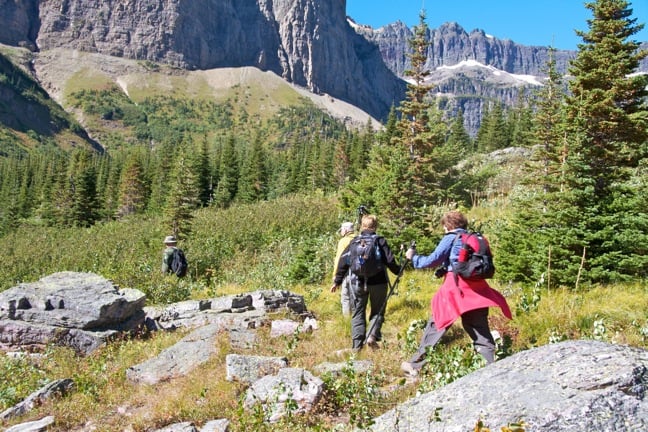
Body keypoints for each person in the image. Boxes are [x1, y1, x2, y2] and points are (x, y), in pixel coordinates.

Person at [401, 211, 512, 376]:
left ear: (447, 225)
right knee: (479, 327)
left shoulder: (451, 237)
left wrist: (413, 257)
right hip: (477, 288)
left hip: (456, 287)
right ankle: (490, 366)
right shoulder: (474, 238)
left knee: (438, 323)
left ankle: (416, 365)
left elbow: (433, 259)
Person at [331, 214, 402, 351]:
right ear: (375, 226)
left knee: (358, 312)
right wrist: (398, 271)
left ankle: (357, 346)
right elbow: (390, 260)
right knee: (378, 311)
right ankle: (371, 336)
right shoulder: (379, 240)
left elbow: (343, 262)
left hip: (357, 282)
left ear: (361, 226)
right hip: (378, 282)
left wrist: (337, 280)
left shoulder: (354, 241)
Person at [333, 221, 355, 316]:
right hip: (360, 272)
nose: (341, 232)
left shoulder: (343, 241)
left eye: (341, 230)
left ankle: (347, 321)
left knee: (345, 297)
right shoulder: (359, 238)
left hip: (347, 272)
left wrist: (335, 275)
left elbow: (339, 259)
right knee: (356, 297)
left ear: (346, 230)